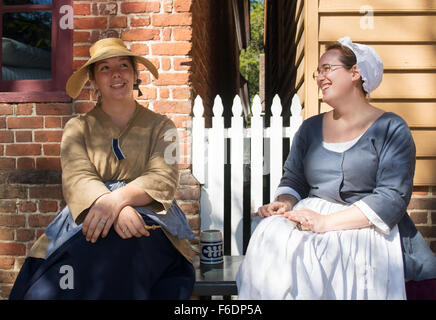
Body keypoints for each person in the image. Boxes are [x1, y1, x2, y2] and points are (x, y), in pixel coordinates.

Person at [236, 37, 436, 300]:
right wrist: (284, 203)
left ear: (356, 73)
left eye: (328, 68)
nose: (320, 77)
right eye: (318, 71)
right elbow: (294, 179)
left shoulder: (390, 128)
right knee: (268, 236)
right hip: (312, 221)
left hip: (367, 227)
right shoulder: (310, 129)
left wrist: (326, 223)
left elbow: (391, 199)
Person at [9, 37, 196, 300]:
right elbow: (77, 178)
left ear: (134, 74)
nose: (116, 74)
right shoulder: (78, 128)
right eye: (105, 68)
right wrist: (109, 206)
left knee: (127, 252)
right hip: (89, 214)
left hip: (150, 218)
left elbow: (162, 179)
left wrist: (118, 201)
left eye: (123, 65)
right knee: (58, 281)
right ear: (94, 81)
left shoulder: (162, 127)